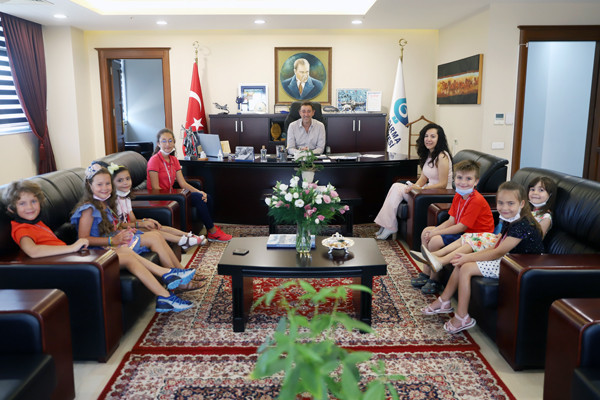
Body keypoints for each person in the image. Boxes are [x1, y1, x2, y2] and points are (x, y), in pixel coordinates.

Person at [420, 181, 544, 334]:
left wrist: (468, 258)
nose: (504, 207)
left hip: (521, 266)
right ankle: (444, 301)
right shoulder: (510, 219)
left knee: (466, 267)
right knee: (461, 262)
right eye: (501, 203)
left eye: (510, 203)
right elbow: (496, 246)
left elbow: (497, 252)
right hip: (508, 259)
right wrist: (468, 256)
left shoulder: (523, 225)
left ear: (522, 203)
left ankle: (462, 317)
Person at [71, 162, 195, 313]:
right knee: (134, 249)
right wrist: (112, 240)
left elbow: (113, 226)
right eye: (99, 184)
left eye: (108, 183)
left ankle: (173, 279)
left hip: (112, 242)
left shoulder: (104, 203)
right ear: (89, 185)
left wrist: (125, 229)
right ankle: (170, 277)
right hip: (99, 250)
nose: (105, 188)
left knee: (155, 236)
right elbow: (83, 239)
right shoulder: (88, 209)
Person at [416, 176, 557, 271]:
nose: (535, 193)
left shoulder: (544, 217)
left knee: (473, 241)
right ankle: (436, 256)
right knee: (469, 237)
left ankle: (440, 260)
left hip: (516, 248)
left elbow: (538, 236)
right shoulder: (524, 210)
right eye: (532, 189)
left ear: (550, 195)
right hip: (502, 239)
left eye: (541, 190)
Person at [412, 160, 495, 294]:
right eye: (459, 177)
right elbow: (451, 221)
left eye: (468, 179)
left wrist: (436, 234)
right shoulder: (458, 195)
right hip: (463, 232)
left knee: (435, 241)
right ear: (454, 179)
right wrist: (435, 230)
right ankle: (426, 273)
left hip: (474, 236)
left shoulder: (476, 200)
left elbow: (461, 227)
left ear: (476, 181)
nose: (463, 182)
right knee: (426, 231)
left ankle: (435, 280)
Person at [147, 128, 232, 242]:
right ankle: (212, 232)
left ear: (174, 142)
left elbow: (182, 183)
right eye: (164, 141)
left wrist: (199, 191)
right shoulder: (154, 160)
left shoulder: (174, 160)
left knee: (206, 196)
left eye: (170, 141)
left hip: (173, 195)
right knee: (198, 198)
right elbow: (156, 189)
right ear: (158, 143)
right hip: (160, 197)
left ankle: (210, 227)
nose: (167, 144)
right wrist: (177, 194)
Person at [374, 123, 453, 240]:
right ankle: (387, 225)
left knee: (397, 188)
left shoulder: (442, 156)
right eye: (426, 136)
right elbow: (423, 178)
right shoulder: (430, 154)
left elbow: (443, 184)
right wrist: (414, 187)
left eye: (433, 136)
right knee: (396, 186)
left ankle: (389, 226)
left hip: (439, 194)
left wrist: (421, 189)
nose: (428, 139)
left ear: (439, 139)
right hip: (427, 191)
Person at [108, 163, 207, 250]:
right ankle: (182, 241)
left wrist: (146, 220)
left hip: (131, 227)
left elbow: (132, 219)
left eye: (127, 179)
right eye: (120, 180)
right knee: (151, 229)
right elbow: (119, 225)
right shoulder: (114, 202)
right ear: (112, 183)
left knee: (157, 226)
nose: (125, 182)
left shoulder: (125, 198)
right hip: (123, 232)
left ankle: (189, 235)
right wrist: (141, 224)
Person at [4, 180, 89, 258]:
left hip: (63, 257)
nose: (30, 207)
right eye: (22, 203)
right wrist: (72, 248)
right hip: (55, 264)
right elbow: (33, 251)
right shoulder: (22, 229)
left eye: (33, 201)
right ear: (12, 209)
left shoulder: (35, 223)